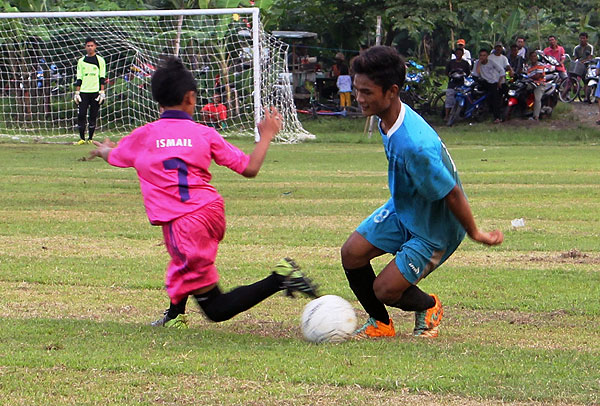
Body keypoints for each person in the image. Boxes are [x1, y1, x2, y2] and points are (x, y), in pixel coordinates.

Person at [88, 57, 318, 329]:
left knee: (216, 309)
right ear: (190, 98)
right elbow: (249, 168)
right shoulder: (204, 134)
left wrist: (103, 150)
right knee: (183, 262)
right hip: (209, 211)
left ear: (158, 100)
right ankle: (175, 317)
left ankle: (280, 277)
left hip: (186, 221)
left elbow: (115, 155)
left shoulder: (144, 136)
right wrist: (266, 135)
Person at [343, 46, 503, 339]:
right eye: (357, 90)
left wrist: (476, 233)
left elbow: (452, 193)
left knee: (385, 290)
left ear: (391, 92)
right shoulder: (387, 117)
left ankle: (429, 306)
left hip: (435, 228)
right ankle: (380, 323)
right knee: (352, 254)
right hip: (406, 207)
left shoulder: (414, 145)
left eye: (367, 92)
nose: (359, 98)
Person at [74, 37, 106, 145]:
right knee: (81, 115)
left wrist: (102, 92)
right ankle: (82, 138)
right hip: (84, 92)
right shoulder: (81, 61)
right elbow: (79, 78)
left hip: (95, 92)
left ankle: (90, 138)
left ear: (95, 47)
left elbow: (102, 77)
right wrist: (77, 93)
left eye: (92, 46)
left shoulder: (100, 60)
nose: (90, 48)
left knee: (93, 115)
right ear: (85, 47)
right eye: (88, 46)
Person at [472, 49, 505, 123]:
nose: (482, 57)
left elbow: (502, 71)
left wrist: (499, 82)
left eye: (484, 55)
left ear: (487, 56)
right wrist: (479, 64)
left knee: (495, 98)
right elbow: (476, 74)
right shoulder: (477, 63)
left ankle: (497, 117)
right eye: (481, 55)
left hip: (491, 82)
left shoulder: (491, 63)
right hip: (482, 81)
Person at [444, 48, 471, 120]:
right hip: (452, 83)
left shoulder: (465, 63)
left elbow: (468, 73)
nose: (458, 55)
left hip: (461, 84)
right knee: (449, 99)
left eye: (460, 53)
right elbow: (446, 72)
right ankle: (447, 115)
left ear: (462, 54)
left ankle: (458, 114)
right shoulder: (451, 63)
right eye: (457, 53)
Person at [526, 51, 547, 121]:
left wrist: (529, 77)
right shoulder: (528, 66)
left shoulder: (540, 65)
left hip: (539, 84)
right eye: (532, 56)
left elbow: (538, 76)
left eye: (534, 56)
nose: (533, 58)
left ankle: (536, 116)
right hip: (531, 84)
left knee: (537, 99)